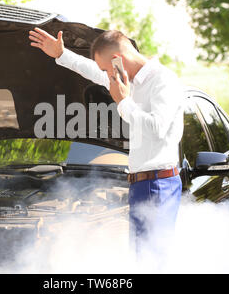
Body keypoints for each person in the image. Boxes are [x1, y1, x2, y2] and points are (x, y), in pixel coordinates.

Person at [29, 27, 185, 255]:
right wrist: (62, 55)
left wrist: (123, 102)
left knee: (153, 261)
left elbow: (157, 128)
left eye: (106, 69)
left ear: (117, 60)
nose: (106, 75)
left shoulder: (163, 81)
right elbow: (93, 72)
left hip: (158, 185)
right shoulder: (128, 81)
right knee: (141, 259)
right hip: (142, 184)